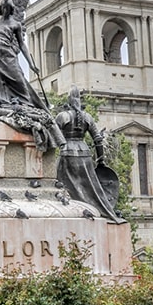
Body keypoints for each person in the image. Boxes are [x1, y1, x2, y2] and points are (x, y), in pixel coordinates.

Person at [55, 87, 124, 222]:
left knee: (64, 185)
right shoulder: (87, 117)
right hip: (85, 154)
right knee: (88, 187)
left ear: (68, 101)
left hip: (67, 153)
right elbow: (97, 139)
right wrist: (101, 160)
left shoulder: (62, 116)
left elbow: (54, 136)